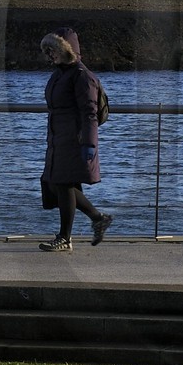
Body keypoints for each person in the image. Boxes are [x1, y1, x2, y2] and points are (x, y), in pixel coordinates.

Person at [38, 27, 112, 251]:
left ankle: (65, 237)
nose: (50, 55)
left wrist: (89, 144)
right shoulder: (60, 73)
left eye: (54, 50)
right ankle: (98, 218)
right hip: (58, 138)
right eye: (47, 51)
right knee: (56, 184)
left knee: (63, 183)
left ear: (67, 50)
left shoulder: (81, 76)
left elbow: (89, 112)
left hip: (74, 139)